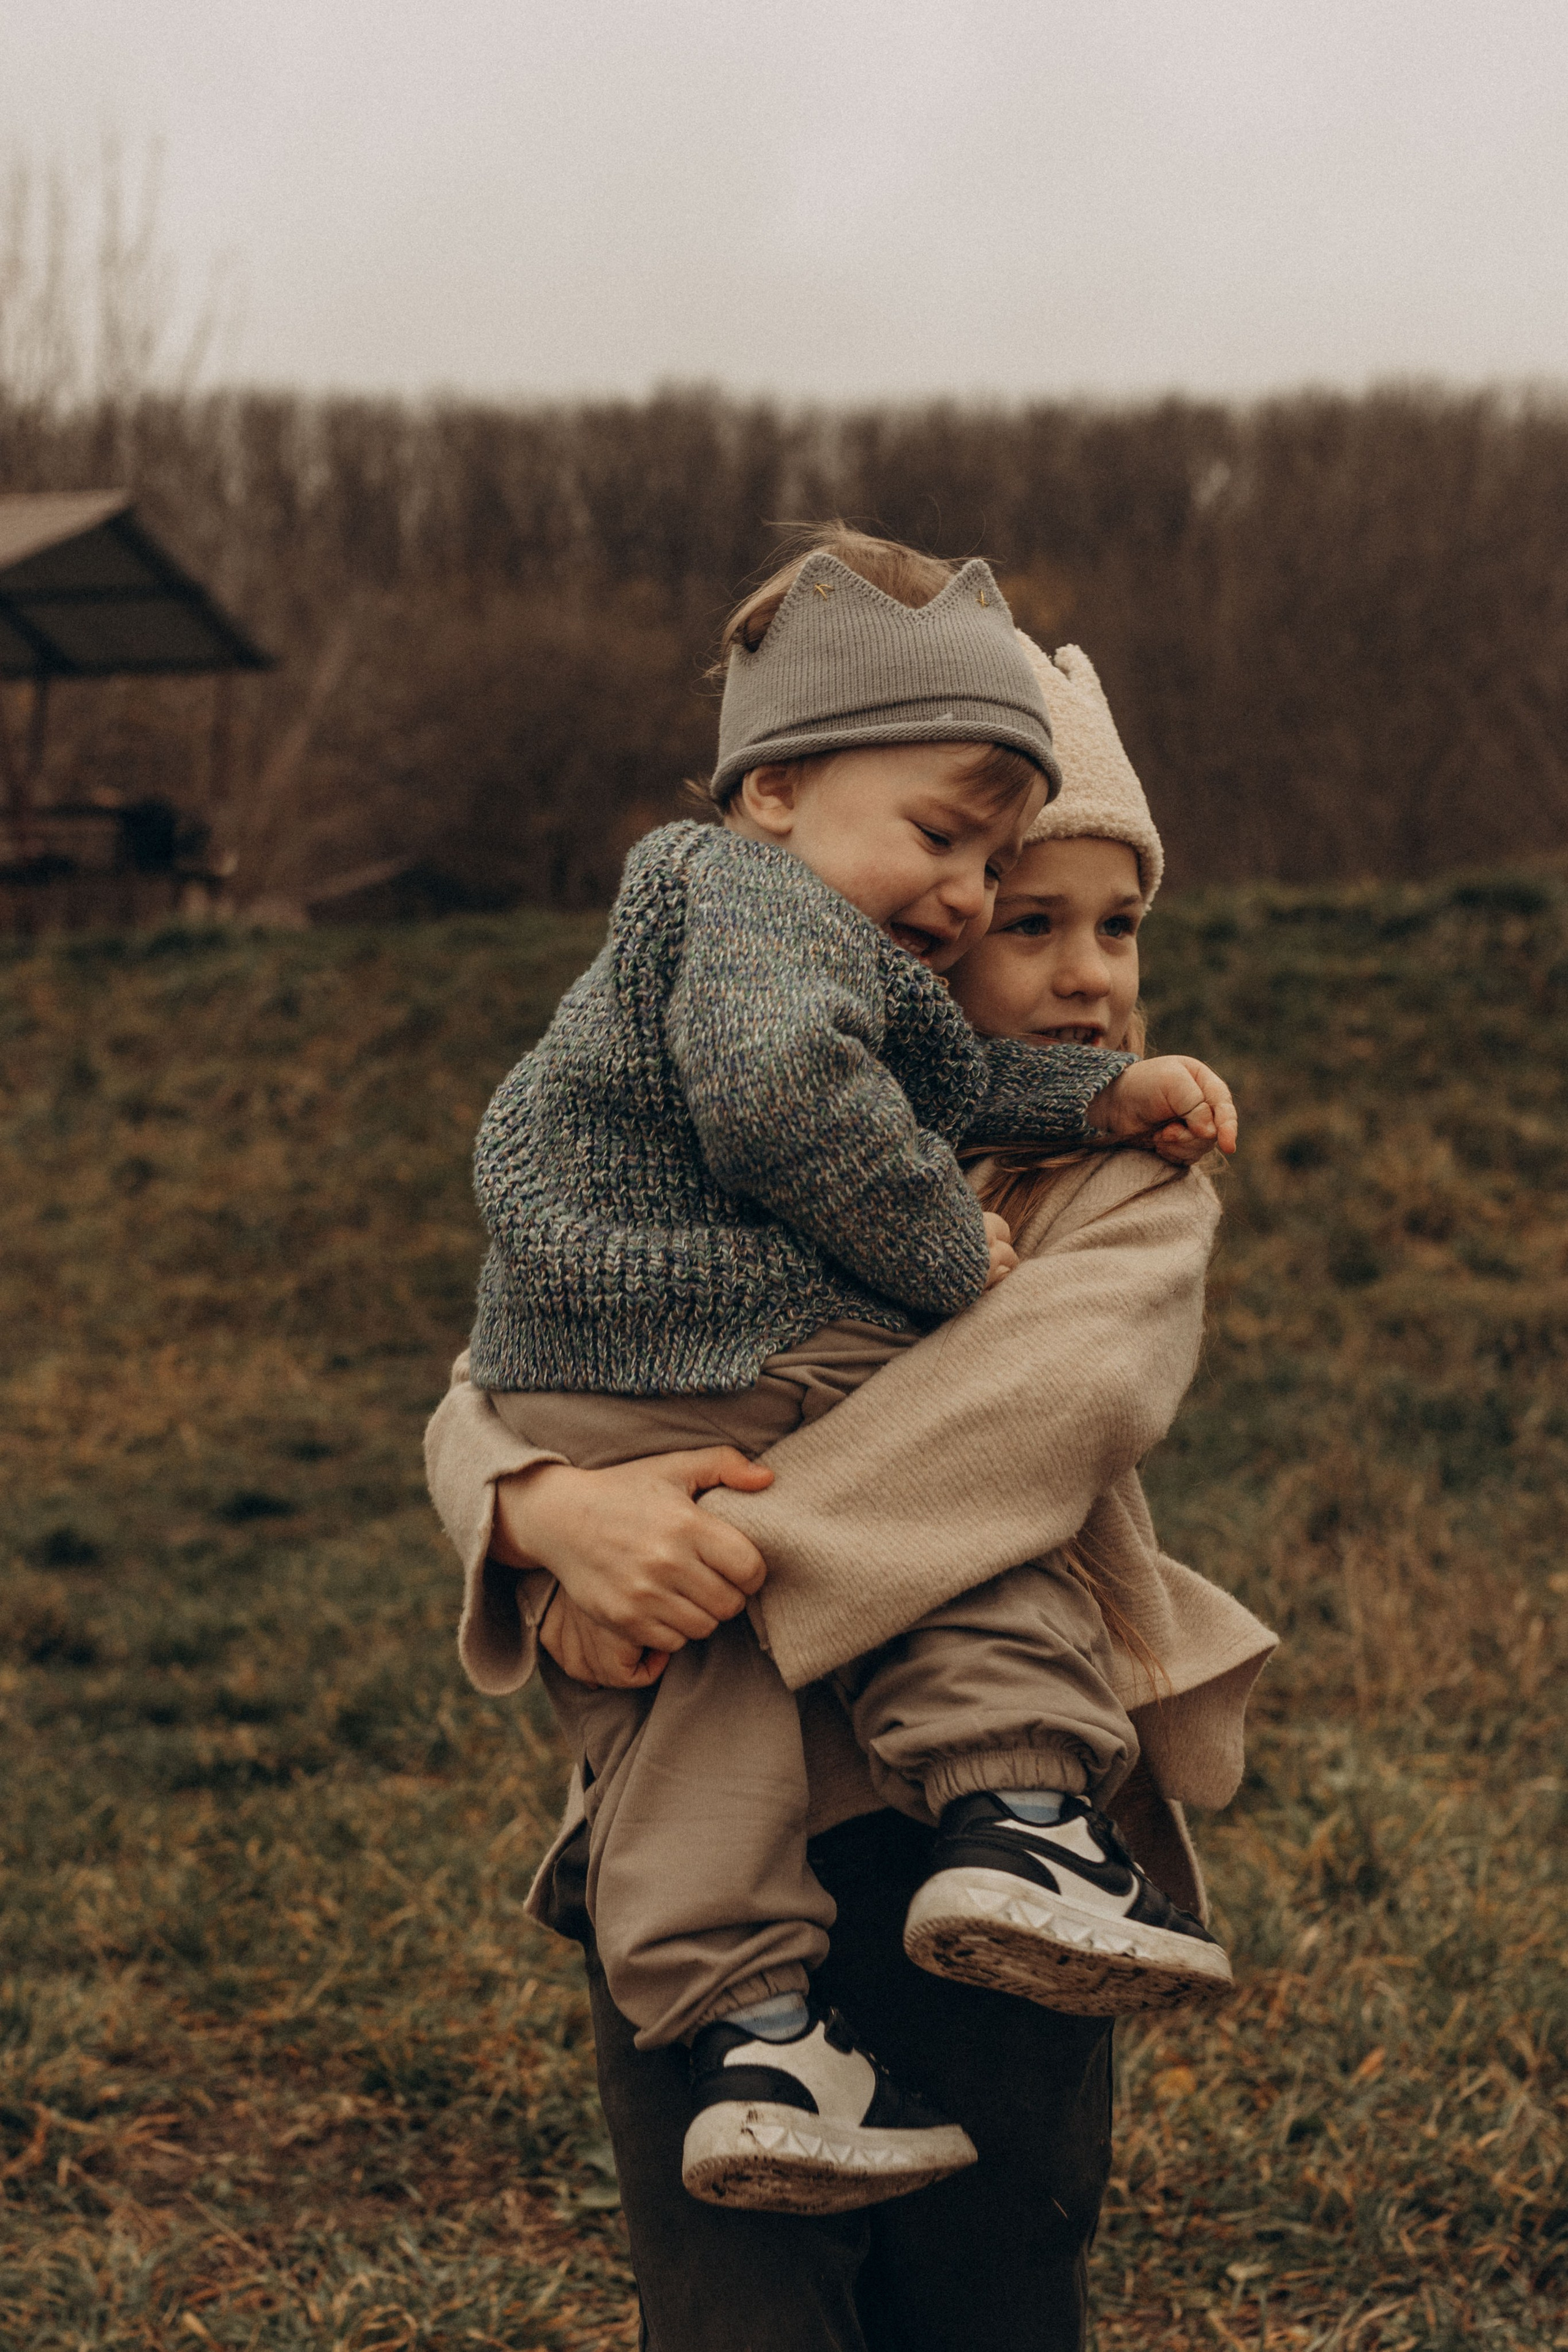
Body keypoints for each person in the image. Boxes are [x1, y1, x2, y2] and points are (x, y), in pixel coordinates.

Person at [426, 622, 1276, 2351]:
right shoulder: (708, 1139)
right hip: (710, 1863)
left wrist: (680, 1554)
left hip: (984, 1835)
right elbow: (490, 1375)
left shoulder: (1115, 1182)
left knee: (994, 2278)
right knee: (735, 2297)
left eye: (1121, 928)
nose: (1086, 973)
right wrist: (542, 1517)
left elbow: (1032, 1407)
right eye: (1019, 914)